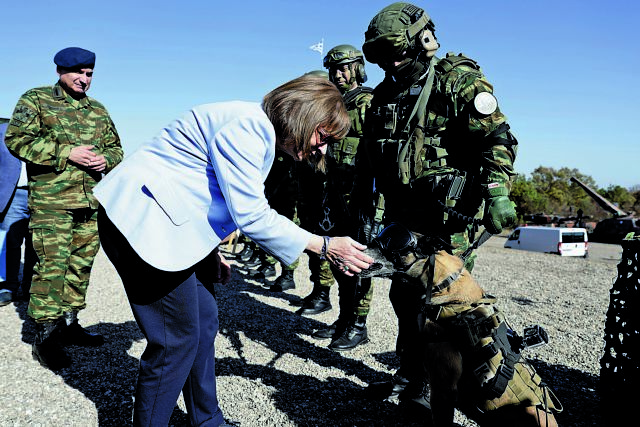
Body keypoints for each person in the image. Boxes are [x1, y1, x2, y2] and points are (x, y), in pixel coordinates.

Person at [94, 75, 374, 427]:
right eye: (322, 136)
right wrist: (326, 246)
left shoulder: (256, 132)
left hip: (168, 225)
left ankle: (206, 418)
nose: (322, 149)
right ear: (301, 115)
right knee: (174, 340)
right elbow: (252, 214)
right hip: (143, 226)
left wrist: (208, 252)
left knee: (205, 318)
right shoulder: (247, 128)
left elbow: (202, 192)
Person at [357, 2, 552, 423]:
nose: (389, 63)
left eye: (396, 52)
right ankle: (414, 373)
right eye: (380, 56)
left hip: (452, 221)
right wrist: (366, 208)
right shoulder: (385, 95)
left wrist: (498, 193)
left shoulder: (457, 81)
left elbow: (496, 137)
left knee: (441, 306)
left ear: (424, 41)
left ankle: (436, 385)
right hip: (404, 219)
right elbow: (372, 159)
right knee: (403, 298)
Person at [5, 47, 123, 370]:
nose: (85, 80)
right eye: (79, 73)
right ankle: (45, 337)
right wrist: (66, 152)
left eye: (89, 74)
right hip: (52, 203)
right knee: (52, 268)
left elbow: (117, 149)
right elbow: (16, 140)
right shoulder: (37, 100)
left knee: (80, 266)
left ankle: (69, 325)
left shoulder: (97, 110)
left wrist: (105, 159)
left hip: (90, 202)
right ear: (61, 70)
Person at [300, 45, 378, 352]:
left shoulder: (368, 102)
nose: (338, 74)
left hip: (358, 196)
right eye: (334, 70)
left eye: (344, 68)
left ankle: (358, 325)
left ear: (358, 67)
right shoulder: (332, 104)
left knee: (358, 262)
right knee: (337, 258)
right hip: (331, 193)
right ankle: (345, 319)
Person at [0, 119, 37, 306]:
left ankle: (31, 287)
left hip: (42, 193)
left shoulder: (49, 128)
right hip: (14, 194)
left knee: (37, 243)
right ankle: (7, 287)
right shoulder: (3, 130)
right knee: (10, 242)